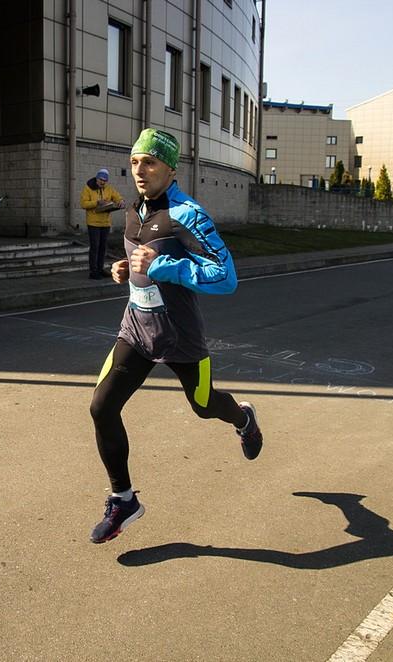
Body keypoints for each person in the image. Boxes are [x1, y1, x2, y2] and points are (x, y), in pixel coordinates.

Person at [88, 128, 263, 544]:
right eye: (134, 162)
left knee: (204, 406)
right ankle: (123, 499)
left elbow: (225, 277)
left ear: (170, 168)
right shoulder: (134, 210)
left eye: (149, 162)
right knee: (101, 407)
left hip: (179, 335)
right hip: (137, 329)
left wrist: (165, 267)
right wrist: (124, 269)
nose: (139, 170)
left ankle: (244, 419)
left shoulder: (189, 214)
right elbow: (141, 259)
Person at [80, 167, 125, 279]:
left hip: (105, 223)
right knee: (95, 247)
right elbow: (83, 204)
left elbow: (117, 196)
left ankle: (100, 269)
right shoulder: (88, 188)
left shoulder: (109, 188)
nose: (102, 182)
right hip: (93, 223)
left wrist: (120, 201)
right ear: (97, 178)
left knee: (102, 247)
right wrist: (97, 202)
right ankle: (93, 271)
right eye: (101, 180)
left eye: (105, 181)